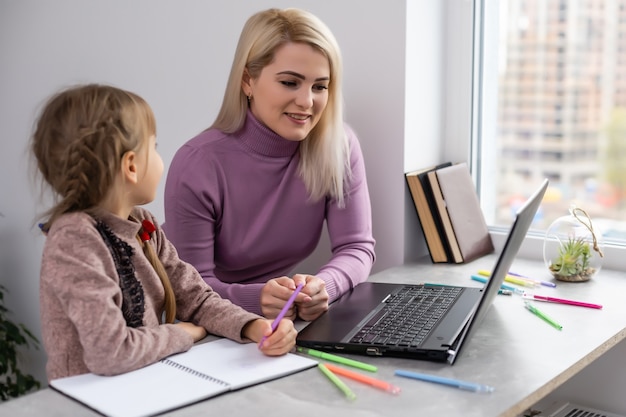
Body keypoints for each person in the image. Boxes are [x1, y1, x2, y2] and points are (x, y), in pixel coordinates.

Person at [31, 84, 296, 382]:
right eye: (154, 147)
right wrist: (180, 334)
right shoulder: (73, 240)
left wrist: (254, 326)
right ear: (131, 165)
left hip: (142, 384)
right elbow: (110, 352)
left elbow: (195, 298)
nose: (159, 158)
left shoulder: (143, 224)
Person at [164, 8, 376, 322]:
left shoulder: (339, 146)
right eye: (290, 82)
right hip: (185, 317)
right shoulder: (198, 163)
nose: (307, 101)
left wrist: (323, 286)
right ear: (247, 80)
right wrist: (255, 300)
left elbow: (357, 247)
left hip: (272, 321)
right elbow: (188, 290)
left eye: (320, 86)